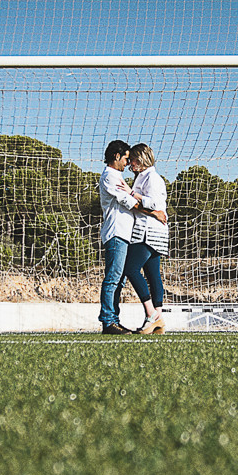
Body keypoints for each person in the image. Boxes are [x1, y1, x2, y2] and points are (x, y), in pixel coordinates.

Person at [122, 143, 168, 334]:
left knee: (130, 269)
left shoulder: (152, 178)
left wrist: (131, 193)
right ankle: (158, 318)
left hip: (148, 232)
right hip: (154, 232)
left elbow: (154, 203)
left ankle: (151, 314)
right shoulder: (144, 176)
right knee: (152, 274)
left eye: (132, 159)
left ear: (140, 159)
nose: (129, 164)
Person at [97, 139, 140, 334]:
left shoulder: (117, 176)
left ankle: (114, 319)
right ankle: (108, 321)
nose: (127, 163)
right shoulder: (109, 176)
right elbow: (127, 201)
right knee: (113, 278)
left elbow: (130, 197)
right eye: (126, 158)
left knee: (120, 279)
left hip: (124, 233)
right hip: (116, 232)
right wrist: (152, 210)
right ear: (116, 156)